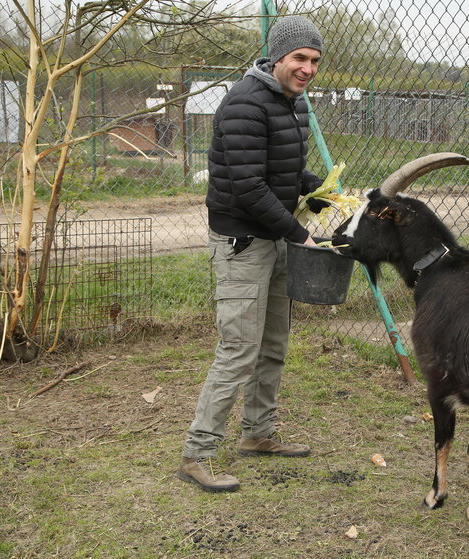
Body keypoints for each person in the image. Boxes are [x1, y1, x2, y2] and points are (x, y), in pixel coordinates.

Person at [178, 15, 328, 493]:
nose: (307, 69)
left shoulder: (295, 103)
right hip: (243, 240)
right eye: (299, 58)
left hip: (275, 235)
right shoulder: (244, 101)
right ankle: (197, 453)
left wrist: (319, 190)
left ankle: (258, 435)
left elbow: (284, 170)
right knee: (239, 349)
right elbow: (247, 185)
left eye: (314, 61)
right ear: (277, 56)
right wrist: (299, 232)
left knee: (273, 344)